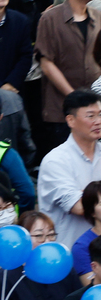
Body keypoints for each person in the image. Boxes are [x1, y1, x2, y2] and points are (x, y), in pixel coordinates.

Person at [36, 0, 101, 157]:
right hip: (60, 107)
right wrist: (73, 96)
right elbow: (46, 63)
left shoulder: (98, 17)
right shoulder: (50, 18)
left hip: (95, 106)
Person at [38, 89, 101, 253]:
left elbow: (87, 202)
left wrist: (86, 193)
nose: (98, 121)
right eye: (90, 116)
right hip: (67, 255)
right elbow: (80, 207)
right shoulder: (55, 161)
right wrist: (90, 198)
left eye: (100, 114)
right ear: (71, 120)